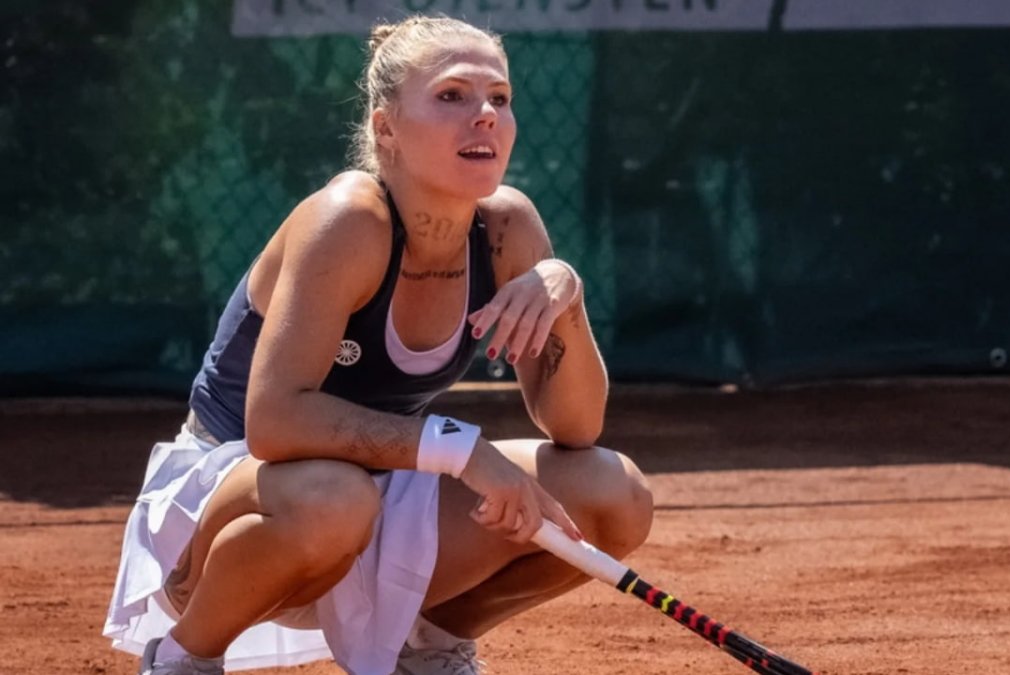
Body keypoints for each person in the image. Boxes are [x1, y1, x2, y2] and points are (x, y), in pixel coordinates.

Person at [104, 15, 654, 675]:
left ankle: (430, 646)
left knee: (612, 493)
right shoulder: (347, 220)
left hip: (374, 491)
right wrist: (461, 450)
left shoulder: (508, 226)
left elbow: (577, 427)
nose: (485, 114)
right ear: (385, 127)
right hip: (231, 501)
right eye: (452, 95)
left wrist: (565, 292)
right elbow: (275, 423)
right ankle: (184, 657)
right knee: (335, 498)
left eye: (499, 97)